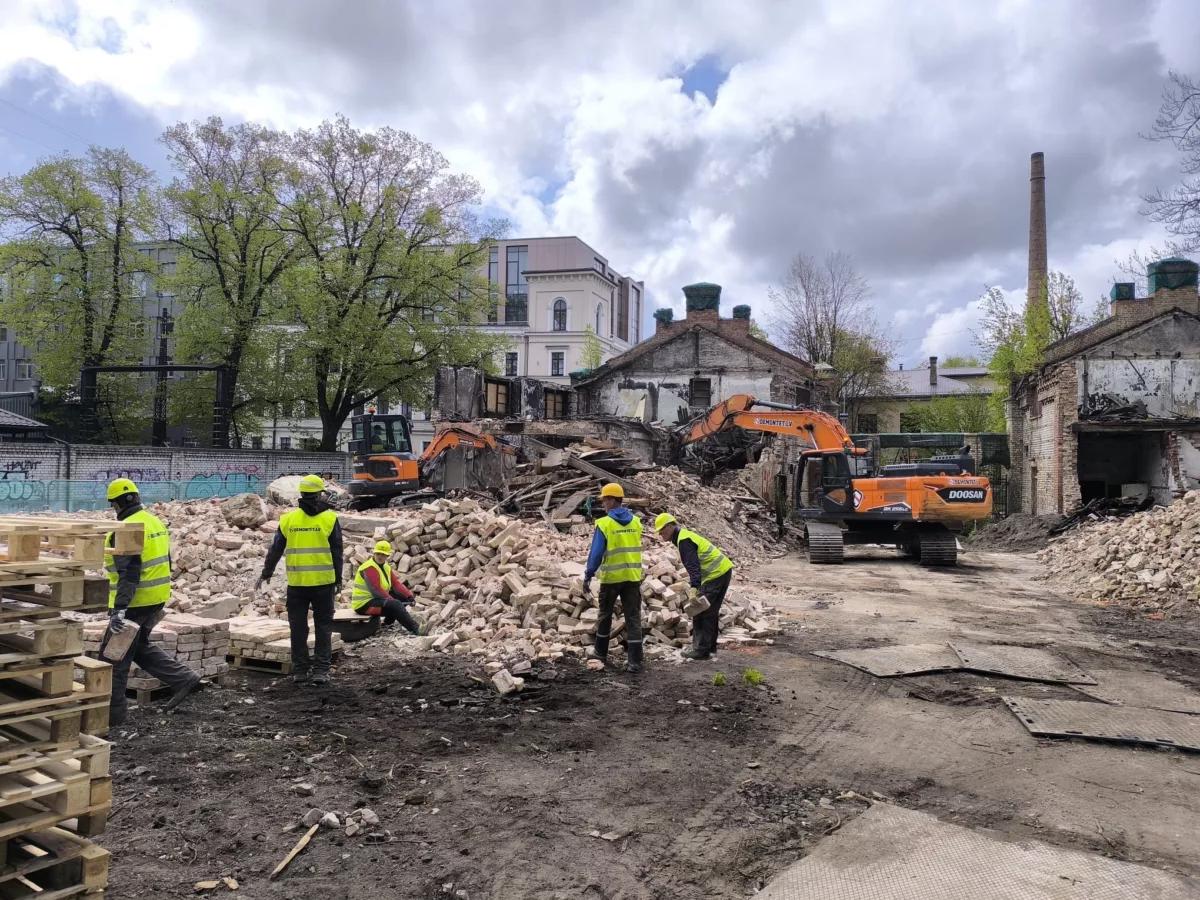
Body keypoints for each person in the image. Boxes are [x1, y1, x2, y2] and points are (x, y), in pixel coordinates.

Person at [103, 478, 202, 726]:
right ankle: (183, 678)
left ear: (116, 504)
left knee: (113, 658)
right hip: (155, 599)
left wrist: (119, 609)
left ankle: (112, 717)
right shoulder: (154, 522)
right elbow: (165, 561)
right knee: (139, 647)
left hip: (134, 603)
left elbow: (130, 573)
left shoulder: (127, 529)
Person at [256, 474, 343, 685]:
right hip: (323, 583)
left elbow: (275, 549)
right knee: (323, 626)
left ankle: (300, 670)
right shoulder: (330, 519)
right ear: (319, 494)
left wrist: (266, 573)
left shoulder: (288, 519)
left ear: (302, 494)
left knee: (298, 628)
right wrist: (338, 580)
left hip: (297, 584)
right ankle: (321, 670)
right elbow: (337, 552)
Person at [654, 513, 734, 660]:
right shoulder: (684, 536)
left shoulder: (684, 541)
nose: (660, 534)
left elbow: (693, 568)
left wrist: (694, 591)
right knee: (711, 611)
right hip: (723, 571)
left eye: (662, 530)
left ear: (671, 526)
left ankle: (700, 650)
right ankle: (709, 648)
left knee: (700, 610)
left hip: (715, 574)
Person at [582, 483, 644, 673]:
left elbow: (596, 553)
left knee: (605, 615)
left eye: (604, 500)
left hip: (611, 579)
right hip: (632, 577)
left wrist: (589, 574)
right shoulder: (636, 522)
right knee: (633, 618)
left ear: (611, 500)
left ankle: (601, 653)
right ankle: (635, 661)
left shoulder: (605, 524)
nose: (604, 504)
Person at [351, 541, 427, 634]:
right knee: (395, 604)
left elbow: (396, 584)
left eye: (383, 554)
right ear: (374, 553)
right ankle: (416, 629)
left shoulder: (386, 567)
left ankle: (388, 622)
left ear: (387, 556)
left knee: (402, 598)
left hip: (374, 600)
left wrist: (409, 596)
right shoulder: (369, 567)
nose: (380, 556)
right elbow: (376, 590)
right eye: (378, 553)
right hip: (363, 605)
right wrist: (392, 602)